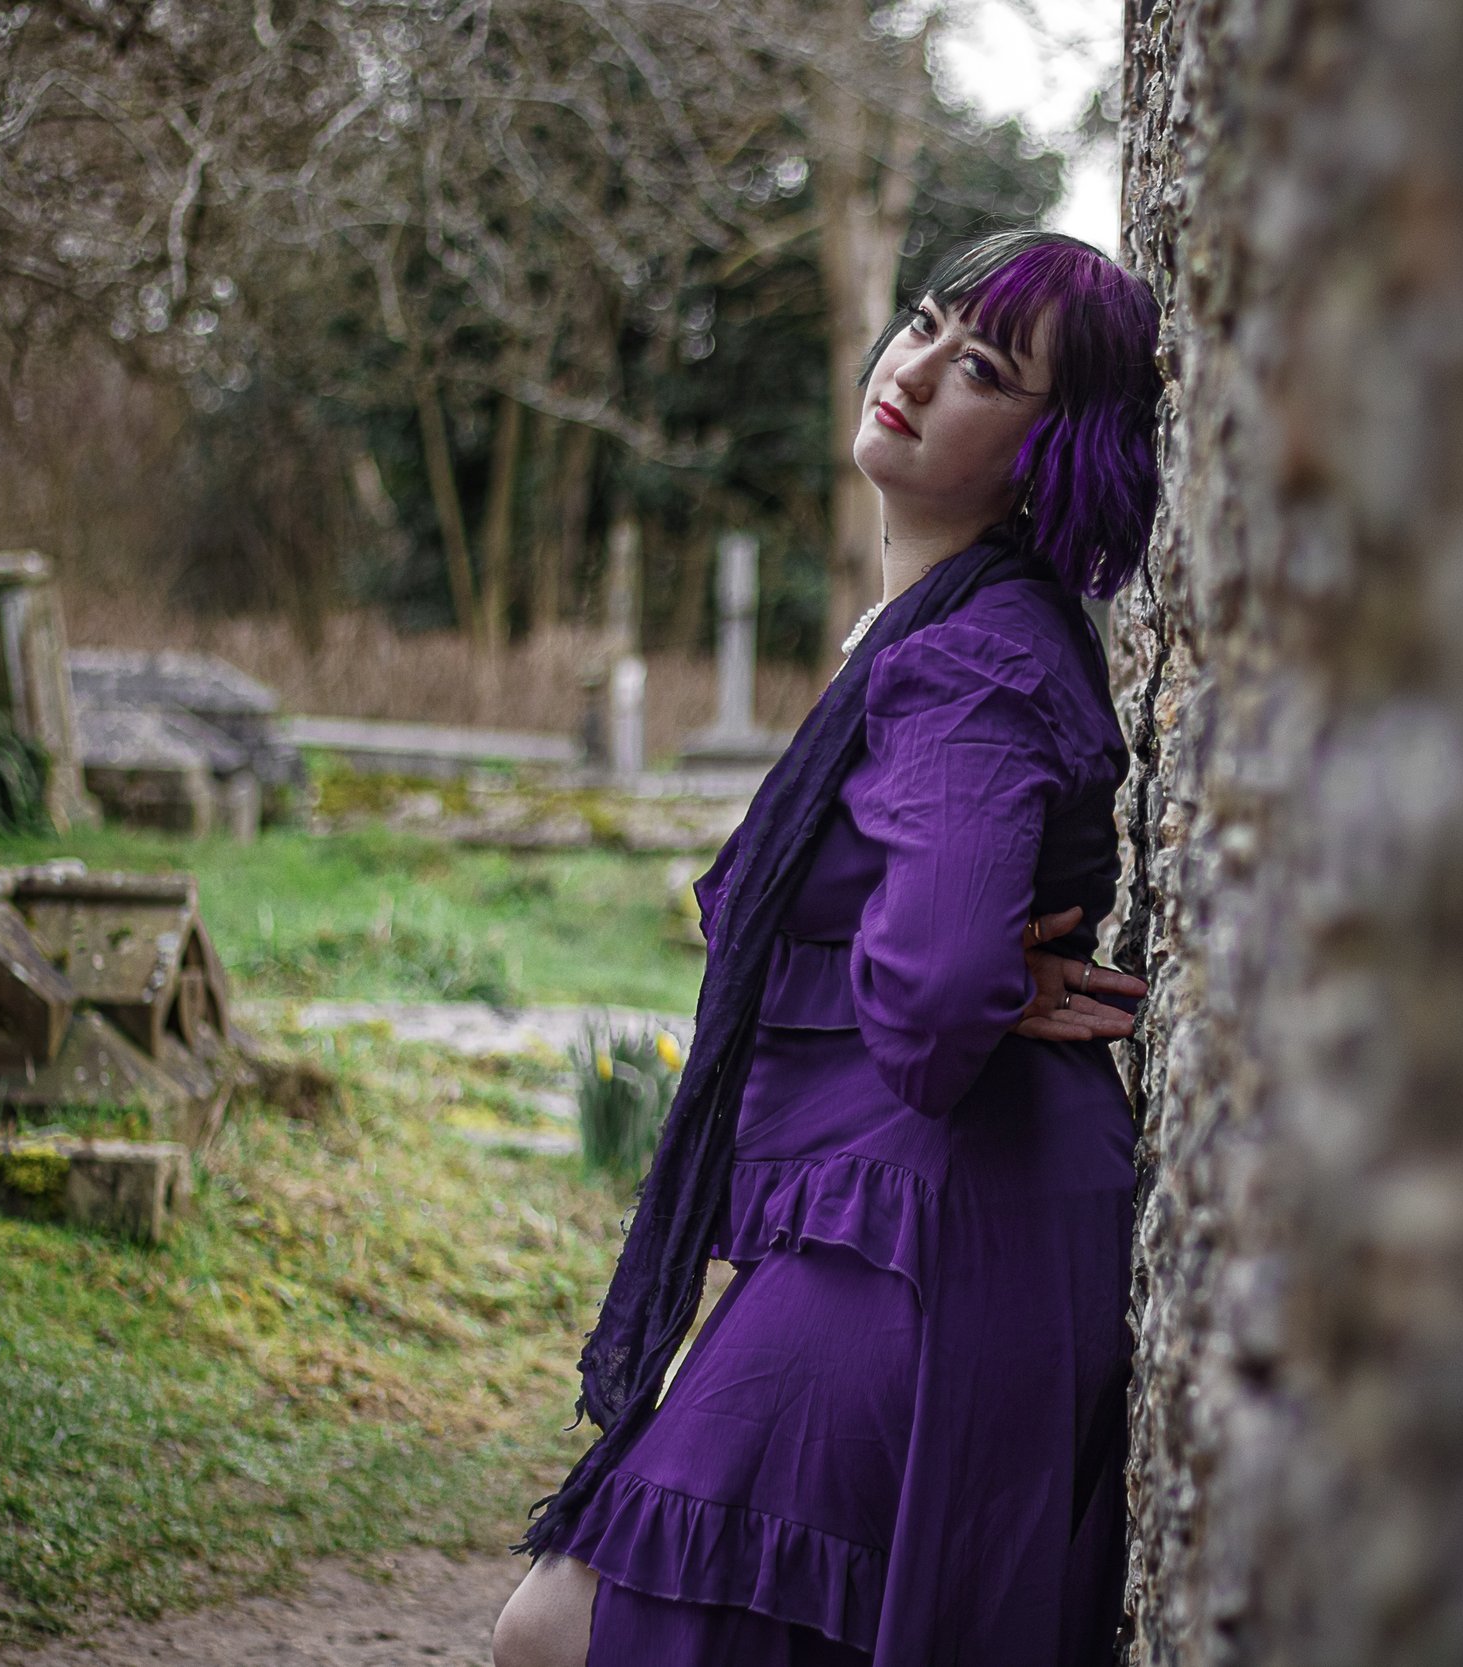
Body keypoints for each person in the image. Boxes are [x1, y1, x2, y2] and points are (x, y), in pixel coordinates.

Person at [493, 229, 1162, 1667]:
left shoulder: (971, 660)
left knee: (566, 1628)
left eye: (985, 369)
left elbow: (926, 1007)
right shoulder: (932, 631)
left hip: (937, 1231)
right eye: (924, 322)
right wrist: (950, 976)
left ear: (1056, 454)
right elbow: (921, 972)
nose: (914, 367)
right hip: (921, 1213)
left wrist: (962, 982)